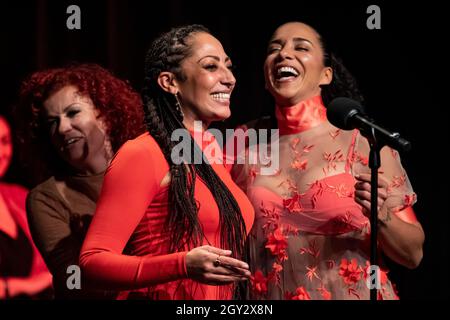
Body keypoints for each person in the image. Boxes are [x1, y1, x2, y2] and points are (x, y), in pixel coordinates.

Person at [229, 22, 424, 300]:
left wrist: (381, 217)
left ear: (326, 75)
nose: (284, 54)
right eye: (275, 48)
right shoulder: (244, 143)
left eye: (301, 47)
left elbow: (413, 254)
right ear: (264, 76)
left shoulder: (364, 143)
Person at [79, 24, 254, 300]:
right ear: (170, 82)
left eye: (228, 67)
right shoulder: (144, 153)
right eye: (211, 66)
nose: (229, 78)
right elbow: (91, 263)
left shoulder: (218, 159)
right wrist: (182, 265)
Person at [15, 63, 145, 299]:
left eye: (73, 113)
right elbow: (73, 281)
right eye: (52, 122)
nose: (63, 128)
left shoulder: (148, 166)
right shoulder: (47, 198)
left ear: (106, 114)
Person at [0, 115, 53, 299]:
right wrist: (20, 286)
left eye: (4, 141)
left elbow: (53, 264)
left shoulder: (19, 196)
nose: (0, 152)